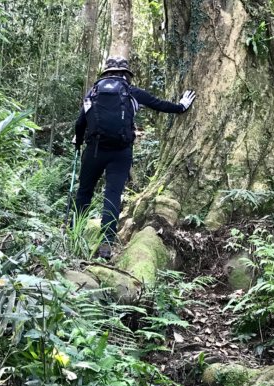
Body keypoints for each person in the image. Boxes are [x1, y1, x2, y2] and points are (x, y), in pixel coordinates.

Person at [73, 56, 196, 259]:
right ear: (126, 75)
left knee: (84, 192)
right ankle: (106, 243)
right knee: (112, 195)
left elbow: (80, 123)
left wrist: (77, 142)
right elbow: (160, 104)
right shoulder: (132, 92)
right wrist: (181, 106)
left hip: (94, 150)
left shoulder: (93, 92)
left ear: (106, 73)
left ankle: (74, 233)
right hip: (121, 153)